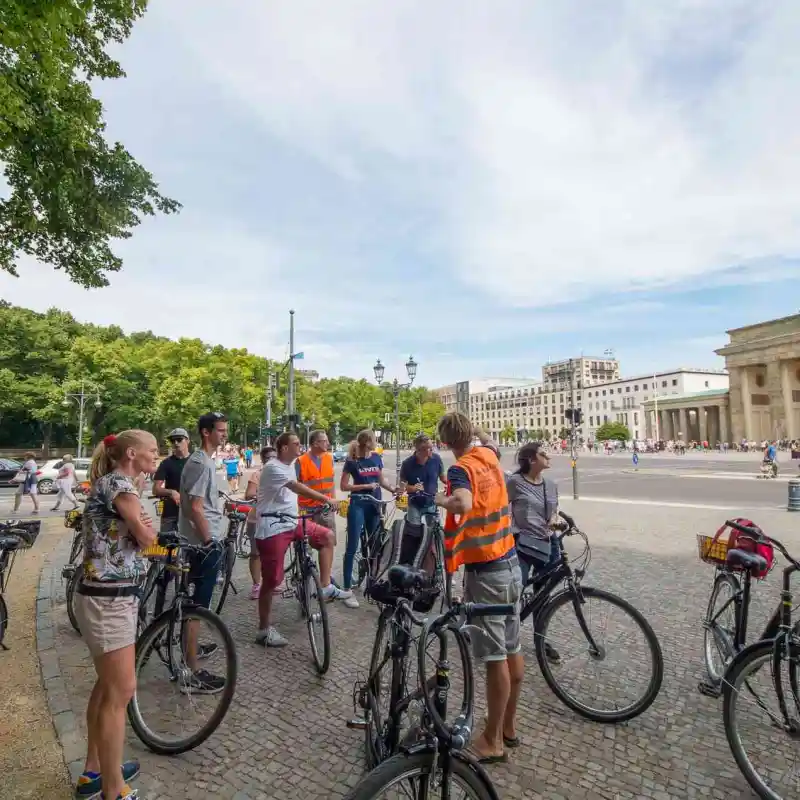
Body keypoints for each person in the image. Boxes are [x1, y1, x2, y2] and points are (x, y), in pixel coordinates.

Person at [73, 430, 158, 800]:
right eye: (152, 451)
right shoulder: (121, 483)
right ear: (132, 453)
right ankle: (113, 791)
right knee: (119, 693)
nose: (156, 456)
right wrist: (145, 530)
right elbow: (146, 537)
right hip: (110, 601)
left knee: (105, 688)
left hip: (101, 596)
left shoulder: (115, 481)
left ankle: (95, 771)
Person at [434, 412, 522, 764]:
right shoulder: (488, 456)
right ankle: (507, 727)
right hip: (512, 562)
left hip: (486, 571)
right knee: (513, 647)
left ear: (445, 442)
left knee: (494, 656)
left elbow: (463, 503)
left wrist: (440, 500)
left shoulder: (460, 469)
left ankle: (491, 741)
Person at [254, 432, 346, 646]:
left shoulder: (290, 465)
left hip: (292, 521)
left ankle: (324, 586)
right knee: (272, 581)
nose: (300, 446)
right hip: (273, 526)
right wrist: (326, 498)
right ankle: (263, 630)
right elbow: (296, 487)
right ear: (284, 448)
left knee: (327, 537)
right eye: (296, 444)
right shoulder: (273, 467)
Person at [178, 412, 229, 693]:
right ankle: (192, 670)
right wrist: (209, 541)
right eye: (220, 431)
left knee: (195, 606)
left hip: (200, 542)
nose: (224, 435)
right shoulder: (200, 463)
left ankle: (190, 651)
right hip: (202, 545)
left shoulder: (203, 461)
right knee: (198, 608)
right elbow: (195, 506)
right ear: (205, 432)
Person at [340, 429, 399, 607]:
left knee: (375, 546)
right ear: (367, 442)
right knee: (352, 547)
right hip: (358, 504)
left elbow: (381, 480)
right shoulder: (352, 461)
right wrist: (365, 485)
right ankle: (347, 590)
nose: (376, 441)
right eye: (374, 439)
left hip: (375, 504)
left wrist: (393, 489)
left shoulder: (375, 458)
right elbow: (343, 486)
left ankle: (373, 582)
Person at [397, 434, 446, 567]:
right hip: (415, 503)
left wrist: (452, 485)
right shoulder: (408, 464)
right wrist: (412, 488)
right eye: (429, 448)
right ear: (419, 450)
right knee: (414, 535)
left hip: (432, 502)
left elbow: (443, 478)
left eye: (432, 447)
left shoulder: (436, 459)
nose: (432, 450)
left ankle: (439, 566)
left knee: (437, 536)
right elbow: (402, 486)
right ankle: (413, 564)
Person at [244, 445, 275, 599]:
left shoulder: (281, 474)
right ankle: (257, 585)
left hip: (275, 519)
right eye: (268, 458)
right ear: (263, 460)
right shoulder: (258, 475)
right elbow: (248, 495)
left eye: (274, 457)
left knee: (273, 553)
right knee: (256, 553)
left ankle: (272, 582)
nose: (271, 460)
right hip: (257, 519)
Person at [152, 428, 191, 533]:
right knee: (168, 546)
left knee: (192, 546)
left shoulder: (196, 462)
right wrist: (171, 492)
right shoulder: (166, 463)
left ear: (187, 440)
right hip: (170, 513)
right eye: (172, 441)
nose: (176, 443)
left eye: (179, 439)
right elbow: (156, 489)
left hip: (192, 513)